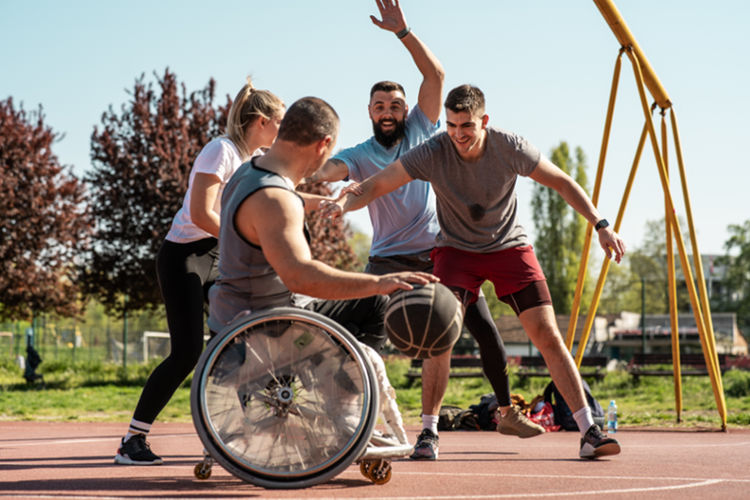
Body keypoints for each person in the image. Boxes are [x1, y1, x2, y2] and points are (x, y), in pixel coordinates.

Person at [324, 84, 625, 459]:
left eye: (465, 126)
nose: (457, 135)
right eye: (451, 125)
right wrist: (342, 206)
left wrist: (601, 224)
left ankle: (589, 432)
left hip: (509, 247)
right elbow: (378, 184)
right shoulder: (434, 150)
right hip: (456, 251)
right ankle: (429, 434)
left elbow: (562, 181)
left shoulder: (510, 147)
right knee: (440, 332)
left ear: (484, 120)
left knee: (547, 333)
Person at [305, 0, 543, 461]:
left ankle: (502, 412)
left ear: (407, 110)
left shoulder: (424, 129)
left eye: (396, 104)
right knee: (362, 343)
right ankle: (349, 421)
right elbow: (328, 170)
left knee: (480, 329)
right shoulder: (357, 153)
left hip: (438, 255)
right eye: (380, 106)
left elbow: (434, 77)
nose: (389, 111)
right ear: (370, 112)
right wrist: (299, 176)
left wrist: (404, 31)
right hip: (386, 260)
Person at [114, 79, 285, 466]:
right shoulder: (221, 151)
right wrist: (246, 238)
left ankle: (231, 436)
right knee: (187, 352)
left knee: (240, 341)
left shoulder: (254, 162)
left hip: (218, 254)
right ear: (260, 121)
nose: (283, 130)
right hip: (185, 257)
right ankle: (132, 441)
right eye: (280, 121)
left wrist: (324, 198)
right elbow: (200, 214)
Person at [206, 96, 438, 351]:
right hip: (267, 324)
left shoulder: (248, 172)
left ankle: (340, 369)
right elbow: (301, 278)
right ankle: (346, 378)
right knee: (376, 304)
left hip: (232, 314)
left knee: (367, 309)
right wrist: (382, 282)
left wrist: (330, 201)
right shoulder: (276, 201)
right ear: (324, 144)